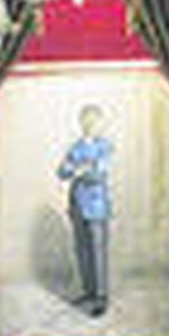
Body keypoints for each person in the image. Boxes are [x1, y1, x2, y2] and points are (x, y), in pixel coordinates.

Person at [57, 104, 114, 316]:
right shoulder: (75, 147)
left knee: (98, 253)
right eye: (87, 120)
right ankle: (88, 292)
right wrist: (80, 169)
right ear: (81, 123)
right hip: (77, 207)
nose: (90, 125)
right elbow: (62, 172)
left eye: (94, 121)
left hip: (97, 208)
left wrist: (78, 170)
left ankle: (100, 298)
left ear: (100, 124)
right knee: (82, 251)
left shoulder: (105, 146)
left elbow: (98, 174)